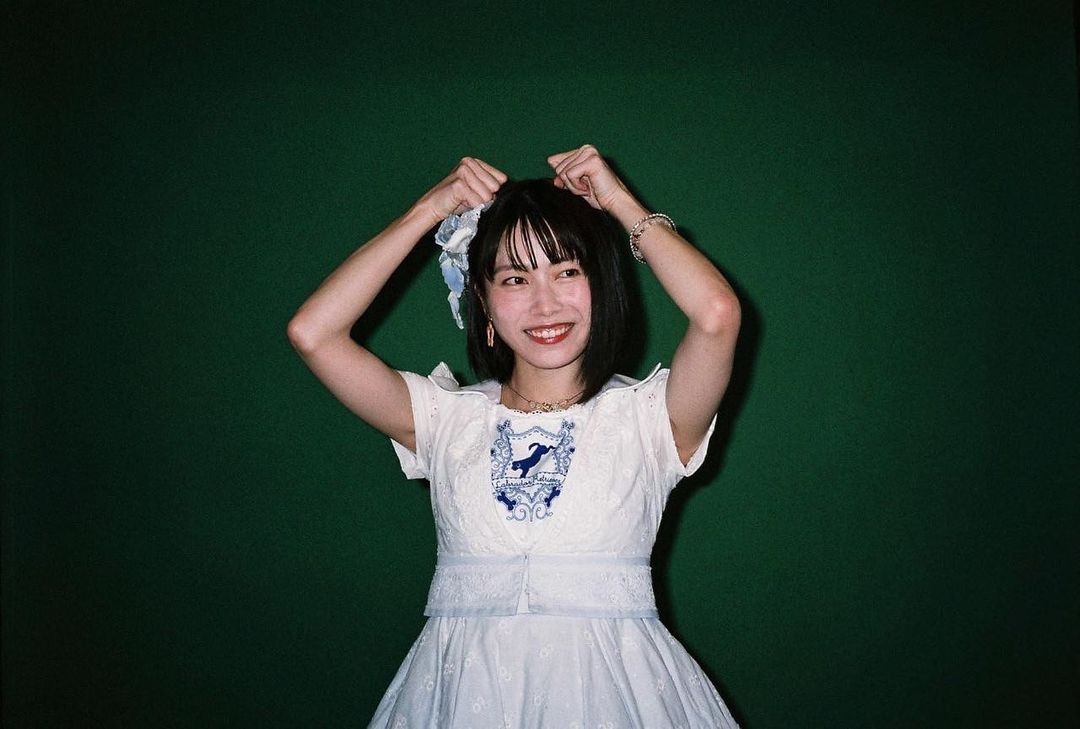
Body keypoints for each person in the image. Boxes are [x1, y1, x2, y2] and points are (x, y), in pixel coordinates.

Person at [287, 145, 742, 728]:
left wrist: (620, 203)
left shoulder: (651, 417)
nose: (544, 303)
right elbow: (313, 332)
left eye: (567, 271)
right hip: (457, 698)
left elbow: (716, 313)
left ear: (601, 285)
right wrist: (430, 210)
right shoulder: (445, 418)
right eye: (515, 278)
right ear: (483, 300)